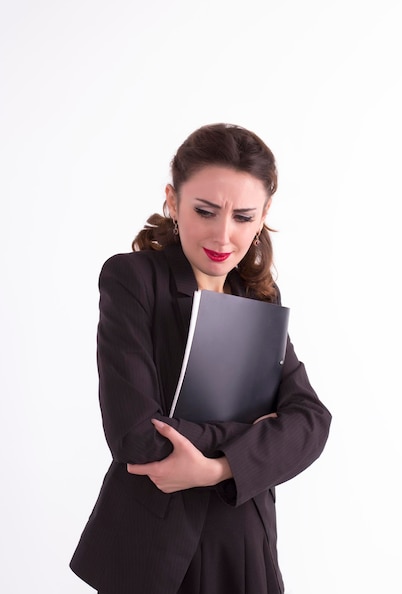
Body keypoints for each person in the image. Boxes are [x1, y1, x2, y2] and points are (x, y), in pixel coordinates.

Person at [70, 123, 332, 594]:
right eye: (205, 211)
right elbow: (135, 435)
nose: (223, 235)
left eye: (244, 217)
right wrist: (253, 439)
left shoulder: (258, 299)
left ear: (265, 213)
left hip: (244, 542)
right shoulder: (132, 279)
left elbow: (312, 422)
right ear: (172, 199)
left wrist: (219, 468)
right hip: (155, 552)